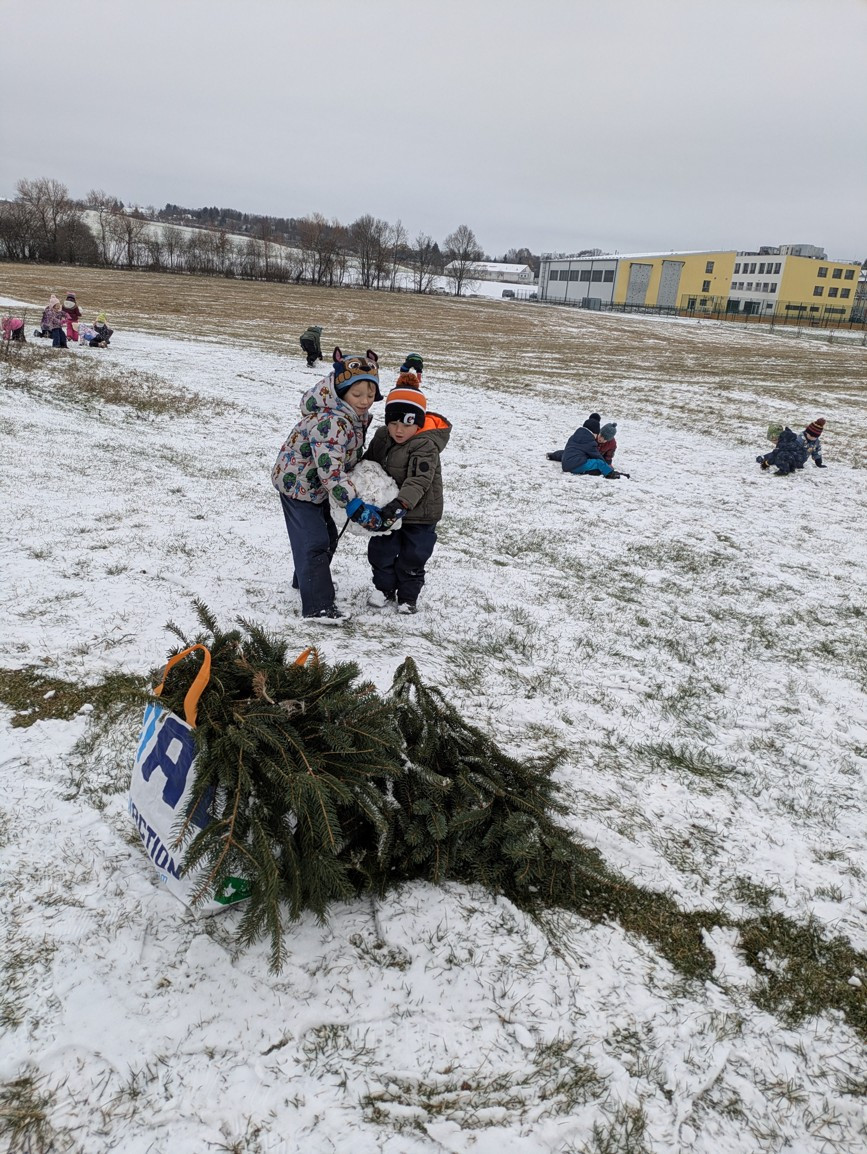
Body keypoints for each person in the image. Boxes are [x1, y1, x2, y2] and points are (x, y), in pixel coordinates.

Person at [271, 348, 384, 624]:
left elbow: (343, 457)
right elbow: (331, 470)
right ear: (341, 391)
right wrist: (353, 503)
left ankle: (306, 580)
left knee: (327, 535)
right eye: (357, 394)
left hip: (315, 487)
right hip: (298, 486)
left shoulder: (351, 416)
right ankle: (318, 607)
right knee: (314, 541)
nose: (365, 401)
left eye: (370, 395)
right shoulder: (332, 421)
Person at [362, 373, 451, 614]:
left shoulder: (425, 445)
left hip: (420, 513)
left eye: (406, 425)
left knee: (413, 556)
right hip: (387, 508)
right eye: (393, 423)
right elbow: (370, 464)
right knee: (381, 551)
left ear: (418, 423)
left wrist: (401, 503)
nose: (399, 430)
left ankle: (408, 596)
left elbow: (419, 480)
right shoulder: (383, 436)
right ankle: (384, 589)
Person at [552, 413, 622, 478]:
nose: (599, 438)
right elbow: (596, 455)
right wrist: (607, 468)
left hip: (565, 465)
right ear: (594, 433)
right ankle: (610, 474)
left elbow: (566, 451)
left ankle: (552, 456)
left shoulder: (574, 436)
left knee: (571, 454)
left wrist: (608, 463)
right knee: (598, 463)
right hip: (576, 465)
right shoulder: (590, 441)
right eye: (598, 435)